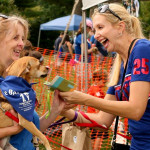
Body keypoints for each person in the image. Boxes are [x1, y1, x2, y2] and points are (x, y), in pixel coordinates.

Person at [52, 3, 150, 150]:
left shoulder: (142, 49)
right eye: (94, 29)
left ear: (120, 27)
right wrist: (63, 109)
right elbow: (103, 121)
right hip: (138, 144)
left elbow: (136, 110)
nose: (96, 35)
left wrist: (84, 99)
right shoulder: (118, 64)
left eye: (100, 27)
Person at [0, 14, 74, 150]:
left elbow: (29, 131)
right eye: (15, 37)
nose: (22, 43)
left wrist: (55, 110)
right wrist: (12, 130)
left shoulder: (19, 84)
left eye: (23, 38)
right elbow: (18, 128)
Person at [87, 68, 109, 150]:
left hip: (90, 117)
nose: (104, 84)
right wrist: (101, 115)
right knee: (99, 136)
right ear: (97, 79)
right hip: (97, 118)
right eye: (103, 82)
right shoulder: (97, 90)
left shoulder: (91, 88)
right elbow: (98, 104)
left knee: (93, 136)